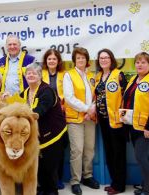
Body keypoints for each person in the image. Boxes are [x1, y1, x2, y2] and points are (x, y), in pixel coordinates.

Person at [20, 63, 67, 195]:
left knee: (50, 166)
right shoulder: (26, 91)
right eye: (28, 73)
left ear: (40, 76)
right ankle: (44, 188)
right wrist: (6, 99)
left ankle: (52, 191)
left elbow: (40, 110)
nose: (30, 75)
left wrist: (26, 114)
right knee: (39, 164)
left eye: (34, 73)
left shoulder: (47, 91)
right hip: (38, 136)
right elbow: (15, 102)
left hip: (54, 135)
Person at [121, 52, 149, 195]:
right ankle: (148, 186)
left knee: (140, 156)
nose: (140, 65)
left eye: (143, 62)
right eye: (138, 62)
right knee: (143, 157)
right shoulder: (133, 79)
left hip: (145, 127)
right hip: (132, 125)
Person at [63, 47, 99, 195]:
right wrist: (87, 109)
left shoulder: (92, 76)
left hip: (90, 118)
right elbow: (69, 98)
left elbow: (97, 96)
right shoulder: (68, 75)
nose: (81, 60)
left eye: (83, 58)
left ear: (87, 60)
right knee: (77, 150)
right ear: (74, 60)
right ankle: (75, 180)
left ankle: (87, 176)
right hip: (75, 119)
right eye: (78, 58)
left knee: (89, 149)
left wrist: (92, 109)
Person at [94, 49, 127, 195]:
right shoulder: (98, 76)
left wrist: (123, 116)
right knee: (109, 152)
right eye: (101, 58)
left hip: (117, 121)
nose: (104, 60)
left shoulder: (118, 75)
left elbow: (126, 97)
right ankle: (114, 182)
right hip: (103, 120)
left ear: (111, 59)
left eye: (106, 57)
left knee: (118, 153)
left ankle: (120, 185)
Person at [41, 48, 68, 189]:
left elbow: (69, 94)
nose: (51, 61)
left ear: (58, 61)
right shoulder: (41, 74)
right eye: (49, 59)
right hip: (45, 118)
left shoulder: (65, 75)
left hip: (60, 117)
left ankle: (58, 178)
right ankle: (48, 179)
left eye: (54, 59)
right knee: (47, 150)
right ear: (46, 61)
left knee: (60, 149)